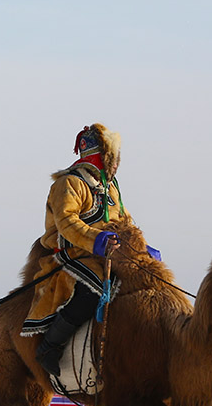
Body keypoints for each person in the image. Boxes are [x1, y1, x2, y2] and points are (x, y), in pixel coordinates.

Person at [23, 123, 151, 377]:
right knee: (92, 289)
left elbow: (126, 223)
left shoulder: (111, 188)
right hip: (74, 253)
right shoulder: (69, 184)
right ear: (104, 157)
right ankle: (49, 346)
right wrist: (97, 240)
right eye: (115, 159)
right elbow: (67, 223)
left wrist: (143, 249)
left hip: (109, 255)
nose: (118, 164)